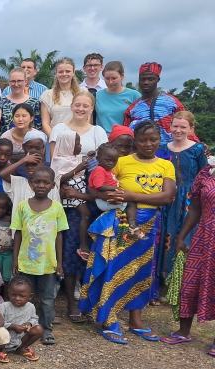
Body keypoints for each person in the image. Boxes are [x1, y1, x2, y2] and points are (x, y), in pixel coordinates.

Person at [79, 121, 176, 344]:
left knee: (140, 271)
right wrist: (110, 196)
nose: (148, 144)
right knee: (113, 268)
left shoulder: (165, 165)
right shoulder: (121, 161)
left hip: (149, 222)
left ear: (160, 140)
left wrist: (130, 196)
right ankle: (108, 318)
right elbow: (95, 187)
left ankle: (135, 320)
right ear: (135, 141)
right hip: (121, 221)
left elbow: (167, 197)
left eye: (153, 139)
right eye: (142, 140)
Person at [10, 165, 68, 345]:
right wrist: (15, 260)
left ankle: (46, 329)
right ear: (30, 183)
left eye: (46, 182)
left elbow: (59, 235)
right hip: (26, 262)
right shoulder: (22, 207)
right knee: (23, 296)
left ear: (52, 186)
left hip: (47, 264)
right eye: (37, 181)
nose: (41, 185)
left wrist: (59, 262)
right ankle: (20, 329)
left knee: (47, 298)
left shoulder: (57, 208)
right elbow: (17, 234)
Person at [163, 163, 215, 356]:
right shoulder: (206, 174)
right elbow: (194, 209)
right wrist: (181, 237)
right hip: (203, 237)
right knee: (191, 282)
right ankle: (183, 331)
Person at [157, 112, 208, 278]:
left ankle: (185, 278)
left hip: (190, 199)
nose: (178, 130)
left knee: (187, 236)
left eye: (183, 127)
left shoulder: (198, 149)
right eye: (175, 126)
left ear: (191, 129)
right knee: (167, 234)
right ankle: (166, 276)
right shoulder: (162, 148)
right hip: (168, 197)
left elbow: (204, 176)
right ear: (170, 126)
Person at [51, 130, 92, 321]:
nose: (80, 146)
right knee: (70, 259)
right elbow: (59, 181)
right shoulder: (59, 161)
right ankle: (70, 304)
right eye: (77, 142)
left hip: (83, 209)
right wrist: (79, 167)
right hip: (68, 213)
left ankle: (86, 303)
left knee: (84, 260)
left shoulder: (79, 159)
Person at [125, 62, 197, 146]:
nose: (146, 82)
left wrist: (197, 145)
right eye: (143, 79)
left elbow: (185, 125)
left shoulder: (172, 102)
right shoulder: (132, 109)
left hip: (171, 151)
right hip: (142, 152)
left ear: (158, 80)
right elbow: (127, 134)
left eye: (150, 79)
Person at [88, 143, 142, 239]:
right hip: (103, 201)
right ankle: (133, 226)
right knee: (131, 202)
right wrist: (115, 188)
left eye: (114, 161)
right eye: (108, 160)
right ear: (97, 158)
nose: (111, 163)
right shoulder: (99, 170)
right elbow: (99, 186)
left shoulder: (107, 170)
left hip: (106, 198)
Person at [0, 276, 42, 362]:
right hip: (4, 339)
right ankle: (0, 350)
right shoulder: (4, 307)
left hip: (20, 338)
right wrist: (12, 326)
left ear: (30, 296)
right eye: (13, 295)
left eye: (22, 296)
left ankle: (22, 348)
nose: (17, 298)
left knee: (38, 329)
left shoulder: (31, 307)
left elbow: (34, 318)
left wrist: (29, 323)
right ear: (9, 293)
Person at [49, 91, 108, 157]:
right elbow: (54, 159)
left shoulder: (98, 131)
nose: (80, 109)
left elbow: (102, 159)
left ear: (91, 109)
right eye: (77, 105)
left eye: (85, 106)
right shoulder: (59, 129)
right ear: (71, 106)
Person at [95, 61, 141, 134]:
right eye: (107, 79)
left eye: (114, 78)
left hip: (125, 139)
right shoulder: (96, 96)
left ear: (122, 76)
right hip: (102, 139)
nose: (110, 82)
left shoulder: (134, 95)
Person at [40, 59, 81, 138]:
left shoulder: (83, 93)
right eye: (60, 72)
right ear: (56, 73)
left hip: (79, 138)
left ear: (73, 73)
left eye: (68, 71)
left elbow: (88, 119)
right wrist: (55, 140)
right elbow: (45, 124)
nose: (64, 74)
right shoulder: (47, 95)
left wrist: (79, 139)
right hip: (55, 138)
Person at [0, 68, 43, 136]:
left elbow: (38, 128)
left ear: (25, 81)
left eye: (19, 81)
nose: (16, 84)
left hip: (29, 143)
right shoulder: (0, 102)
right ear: (9, 82)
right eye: (13, 81)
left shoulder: (35, 103)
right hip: (5, 143)